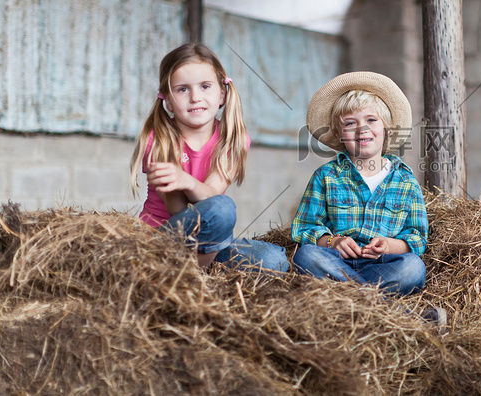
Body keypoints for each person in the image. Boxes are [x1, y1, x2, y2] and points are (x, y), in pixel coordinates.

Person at [130, 42, 288, 272]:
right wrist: (180, 184)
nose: (195, 97)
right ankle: (192, 280)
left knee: (274, 260)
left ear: (222, 94)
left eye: (205, 86)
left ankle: (193, 269)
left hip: (208, 242)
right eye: (183, 89)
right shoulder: (159, 139)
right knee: (222, 209)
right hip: (162, 238)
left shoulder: (233, 137)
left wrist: (186, 181)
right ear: (168, 101)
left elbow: (212, 195)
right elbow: (176, 208)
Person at [291, 71, 430, 296]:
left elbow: (417, 238)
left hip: (384, 265)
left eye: (371, 120)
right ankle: (378, 303)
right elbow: (304, 228)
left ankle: (350, 296)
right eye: (350, 123)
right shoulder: (326, 176)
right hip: (337, 263)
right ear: (339, 134)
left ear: (386, 127)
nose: (362, 129)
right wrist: (333, 242)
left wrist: (388, 245)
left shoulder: (405, 181)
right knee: (306, 256)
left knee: (413, 268)